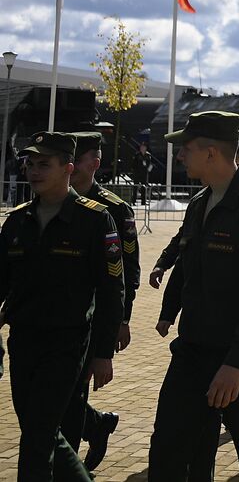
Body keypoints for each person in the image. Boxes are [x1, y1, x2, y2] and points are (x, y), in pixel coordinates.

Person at [148, 111, 239, 481]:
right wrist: (169, 310)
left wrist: (236, 364)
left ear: (211, 153)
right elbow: (188, 261)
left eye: (186, 149)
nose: (180, 156)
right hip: (193, 350)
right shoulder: (199, 203)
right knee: (169, 452)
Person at [1, 131, 124, 481]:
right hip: (23, 341)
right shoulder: (18, 220)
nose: (33, 171)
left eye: (44, 164)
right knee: (40, 431)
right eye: (30, 163)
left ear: (68, 168)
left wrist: (103, 353)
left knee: (38, 436)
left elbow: (112, 288)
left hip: (67, 343)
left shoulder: (95, 220)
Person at [62, 131, 136, 471]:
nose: (72, 166)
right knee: (62, 394)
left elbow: (126, 272)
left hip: (94, 318)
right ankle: (96, 424)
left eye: (79, 159)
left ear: (95, 162)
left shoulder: (114, 209)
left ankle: (68, 462)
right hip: (56, 313)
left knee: (70, 394)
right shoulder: (53, 200)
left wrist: (122, 319)